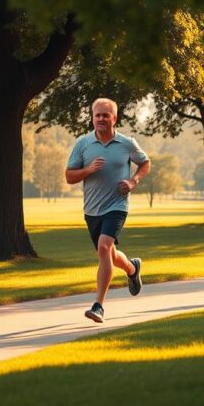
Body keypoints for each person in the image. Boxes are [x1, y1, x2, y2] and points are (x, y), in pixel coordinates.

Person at [65, 98, 150, 322]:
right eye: (98, 115)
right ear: (92, 117)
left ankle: (98, 306)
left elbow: (145, 163)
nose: (101, 118)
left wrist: (133, 182)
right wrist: (88, 170)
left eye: (106, 115)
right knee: (108, 254)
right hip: (92, 210)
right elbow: (69, 177)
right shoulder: (83, 144)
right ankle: (132, 268)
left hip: (117, 205)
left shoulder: (126, 143)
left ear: (115, 118)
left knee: (104, 248)